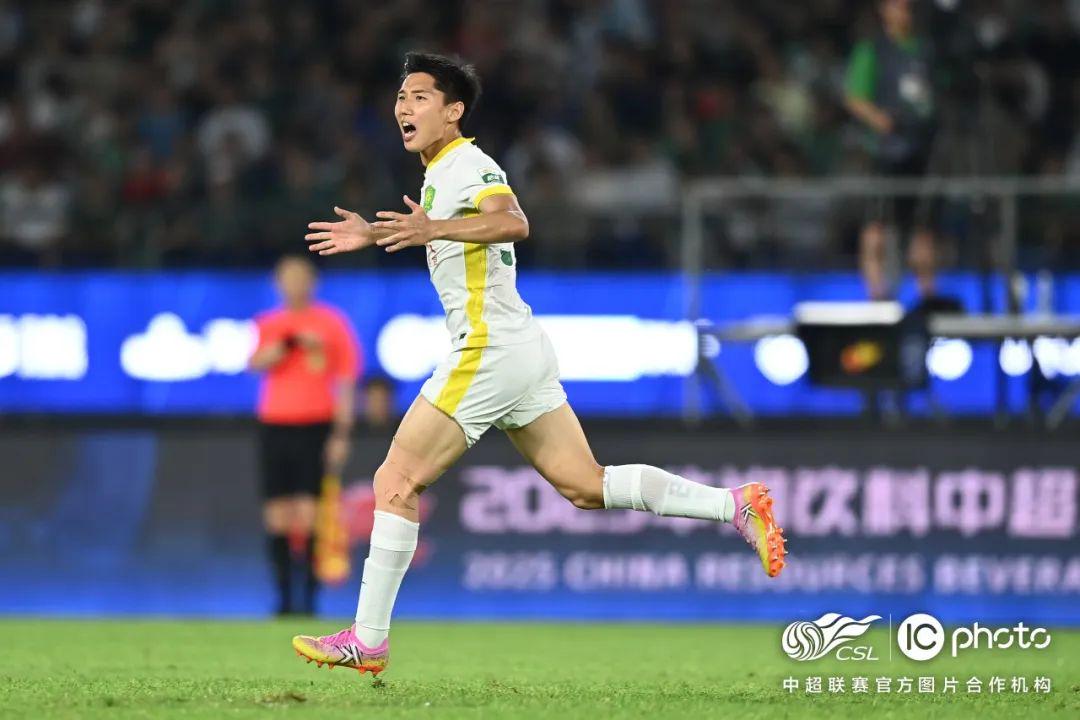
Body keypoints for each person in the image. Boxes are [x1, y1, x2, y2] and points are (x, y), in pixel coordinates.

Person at [292, 52, 785, 676]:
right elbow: (454, 234)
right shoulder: (441, 171)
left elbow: (513, 222)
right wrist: (379, 234)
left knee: (395, 481)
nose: (403, 108)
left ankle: (368, 639)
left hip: (489, 348)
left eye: (419, 97)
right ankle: (735, 505)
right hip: (520, 347)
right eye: (400, 97)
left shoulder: (469, 163)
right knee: (586, 485)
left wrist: (432, 228)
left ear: (453, 111)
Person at [249, 255, 361, 615]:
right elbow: (254, 363)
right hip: (275, 424)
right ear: (277, 283)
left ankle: (309, 599)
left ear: (312, 282)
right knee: (277, 513)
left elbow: (346, 381)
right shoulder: (270, 324)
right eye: (287, 278)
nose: (294, 284)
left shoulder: (332, 324)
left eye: (300, 277)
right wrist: (285, 346)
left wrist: (341, 435)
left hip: (315, 425)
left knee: (310, 512)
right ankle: (282, 599)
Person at [845, 0, 937, 301]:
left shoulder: (925, 50)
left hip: (920, 151)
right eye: (896, 6)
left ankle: (927, 296)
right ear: (884, 10)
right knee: (876, 227)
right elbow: (855, 97)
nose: (903, 12)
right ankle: (876, 295)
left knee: (922, 227)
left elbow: (933, 96)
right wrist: (881, 121)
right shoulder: (872, 50)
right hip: (884, 152)